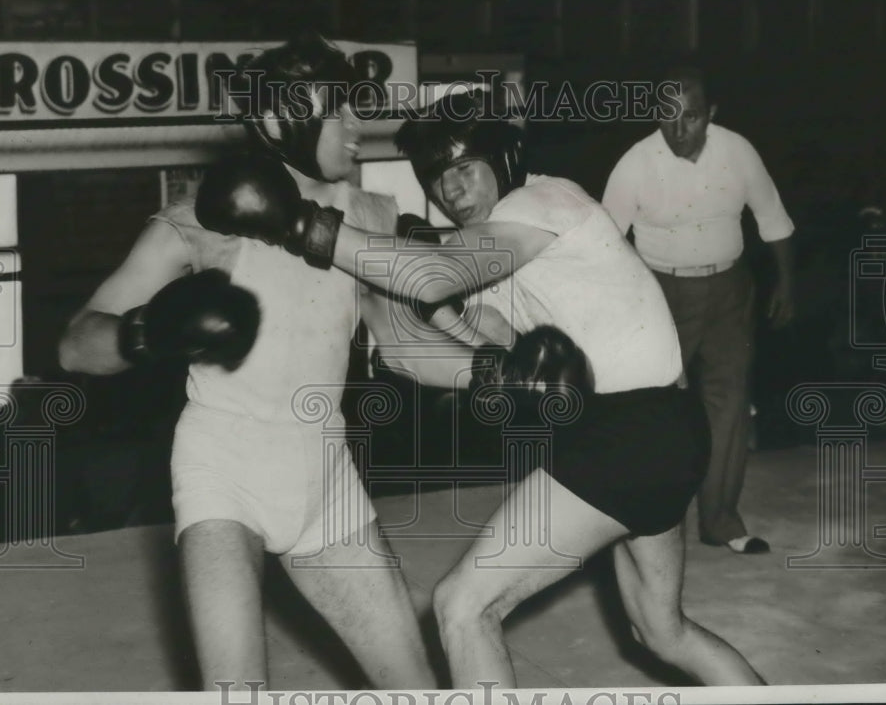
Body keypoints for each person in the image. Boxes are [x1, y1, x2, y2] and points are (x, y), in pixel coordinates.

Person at [194, 88, 766, 688]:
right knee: (662, 631)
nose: (452, 190)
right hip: (661, 431)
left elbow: (441, 272)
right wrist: (431, 314)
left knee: (464, 606)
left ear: (504, 160)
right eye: (438, 178)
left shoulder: (544, 201)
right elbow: (467, 343)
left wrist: (299, 225)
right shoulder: (506, 251)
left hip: (630, 433)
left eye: (466, 169)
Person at [58, 35, 435, 691]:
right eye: (337, 109)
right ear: (280, 120)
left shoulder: (370, 217)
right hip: (222, 472)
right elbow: (73, 345)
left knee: (417, 687)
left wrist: (493, 372)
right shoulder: (206, 221)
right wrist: (145, 334)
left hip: (323, 477)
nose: (356, 126)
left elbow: (401, 343)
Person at [602, 66, 796, 554]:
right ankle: (638, 524)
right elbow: (603, 243)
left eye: (690, 117)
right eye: (668, 116)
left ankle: (721, 521)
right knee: (654, 407)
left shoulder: (738, 151)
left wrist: (787, 286)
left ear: (710, 114)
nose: (678, 129)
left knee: (729, 404)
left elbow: (774, 221)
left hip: (730, 290)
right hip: (661, 292)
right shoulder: (635, 164)